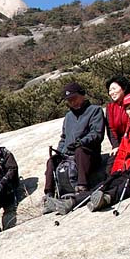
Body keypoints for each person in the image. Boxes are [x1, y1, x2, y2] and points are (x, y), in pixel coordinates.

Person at [42, 82, 105, 212]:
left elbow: (97, 133)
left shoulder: (95, 110)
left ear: (82, 95)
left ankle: (82, 187)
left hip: (89, 153)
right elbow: (64, 138)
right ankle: (48, 196)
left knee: (80, 150)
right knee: (52, 161)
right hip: (69, 155)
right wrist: (59, 152)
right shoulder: (68, 116)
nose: (72, 102)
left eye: (74, 98)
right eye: (69, 100)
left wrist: (81, 142)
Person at [104, 75, 130, 171]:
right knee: (110, 167)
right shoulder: (110, 107)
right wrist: (115, 146)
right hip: (119, 144)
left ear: (123, 88)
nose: (112, 92)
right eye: (110, 90)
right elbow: (110, 129)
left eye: (114, 89)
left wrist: (124, 145)